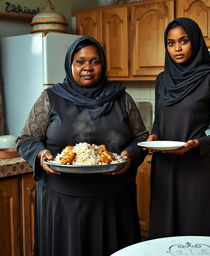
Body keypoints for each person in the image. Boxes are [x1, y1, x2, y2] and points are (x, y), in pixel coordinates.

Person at [16, 35, 148, 256]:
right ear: (70, 64)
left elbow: (141, 137)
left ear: (103, 64)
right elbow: (26, 139)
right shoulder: (50, 98)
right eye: (80, 61)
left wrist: (130, 154)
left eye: (95, 61)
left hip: (113, 201)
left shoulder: (121, 98)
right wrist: (40, 154)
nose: (88, 67)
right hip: (63, 202)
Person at [147, 17, 210, 238]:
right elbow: (159, 120)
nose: (177, 48)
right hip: (164, 167)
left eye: (183, 41)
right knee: (165, 234)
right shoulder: (161, 80)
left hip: (197, 168)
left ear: (195, 41)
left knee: (197, 234)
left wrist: (197, 144)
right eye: (171, 43)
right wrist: (154, 135)